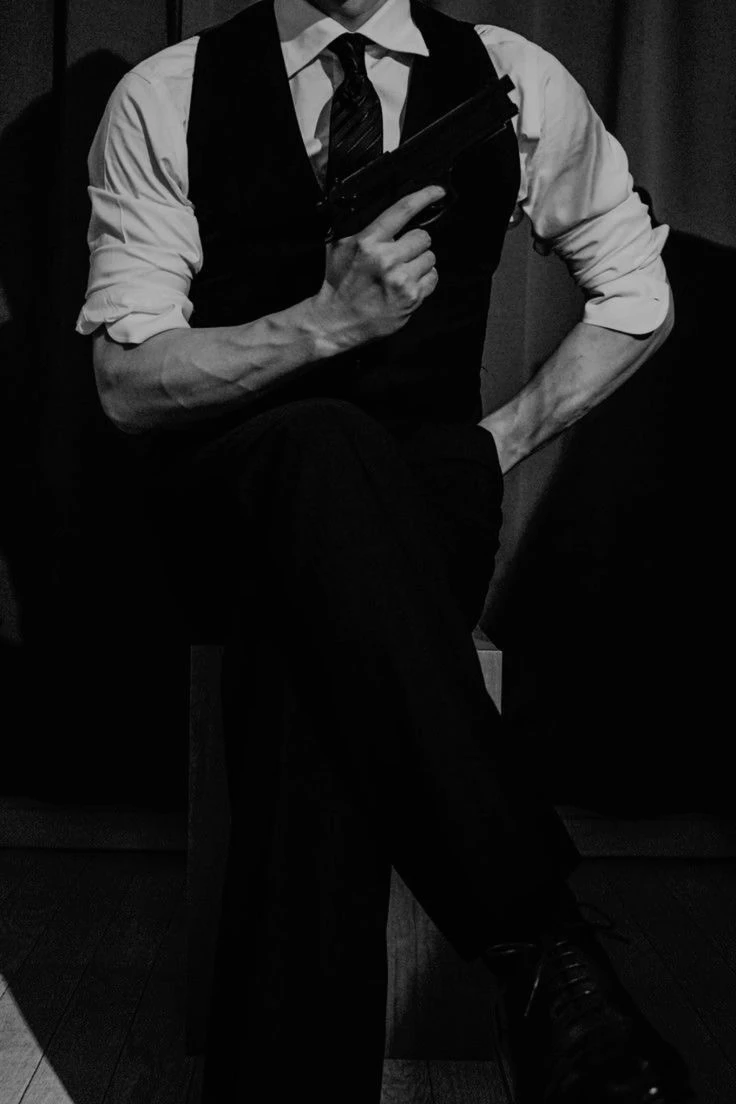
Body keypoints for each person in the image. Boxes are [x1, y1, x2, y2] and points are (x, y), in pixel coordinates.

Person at [76, 0, 693, 1100]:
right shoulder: (166, 93)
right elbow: (127, 386)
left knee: (309, 672)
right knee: (318, 444)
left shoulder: (511, 82)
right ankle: (544, 951)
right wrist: (325, 325)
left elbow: (636, 290)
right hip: (233, 498)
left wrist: (503, 439)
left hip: (424, 508)